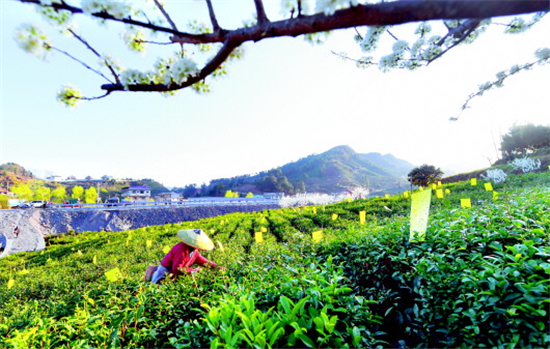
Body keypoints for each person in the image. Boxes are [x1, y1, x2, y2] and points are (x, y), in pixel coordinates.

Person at [150, 229, 222, 284]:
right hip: (165, 271)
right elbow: (177, 269)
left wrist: (217, 267)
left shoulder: (194, 251)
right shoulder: (181, 250)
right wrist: (193, 271)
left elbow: (202, 261)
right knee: (158, 287)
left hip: (175, 274)